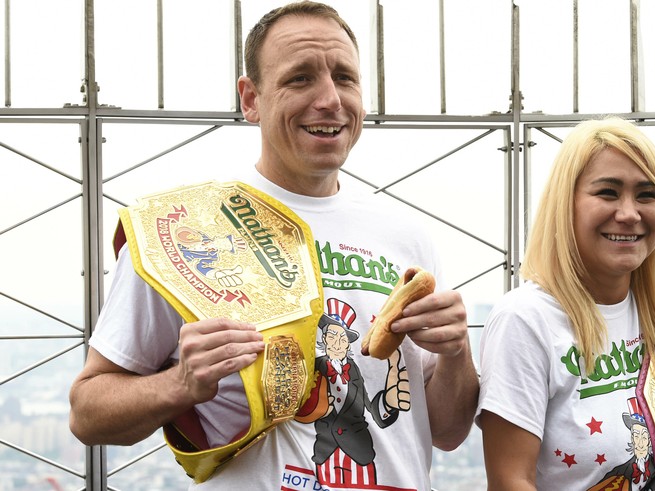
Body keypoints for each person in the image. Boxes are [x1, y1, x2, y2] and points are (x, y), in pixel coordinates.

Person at [68, 2, 479, 490]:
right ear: (250, 98)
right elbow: (87, 412)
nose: (330, 99)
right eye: (301, 79)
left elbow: (448, 432)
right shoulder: (183, 232)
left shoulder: (406, 234)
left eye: (345, 78)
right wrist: (180, 385)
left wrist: (456, 352)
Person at [475, 117, 655, 491]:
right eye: (608, 193)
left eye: (646, 194)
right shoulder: (526, 320)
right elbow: (511, 483)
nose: (629, 214)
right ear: (566, 204)